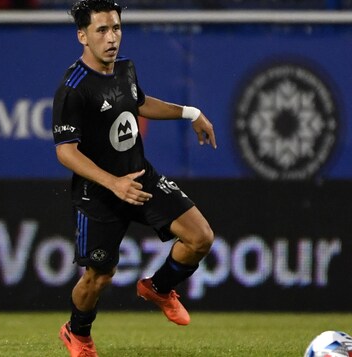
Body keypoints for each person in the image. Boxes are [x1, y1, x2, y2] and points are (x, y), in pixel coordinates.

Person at [52, 0, 217, 356]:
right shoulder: (73, 87)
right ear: (82, 35)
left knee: (200, 237)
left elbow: (137, 102)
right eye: (101, 30)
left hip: (140, 176)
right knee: (99, 277)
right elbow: (65, 151)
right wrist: (113, 184)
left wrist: (191, 112)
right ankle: (77, 333)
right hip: (99, 193)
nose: (111, 38)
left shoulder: (125, 68)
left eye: (116, 28)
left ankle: (157, 288)